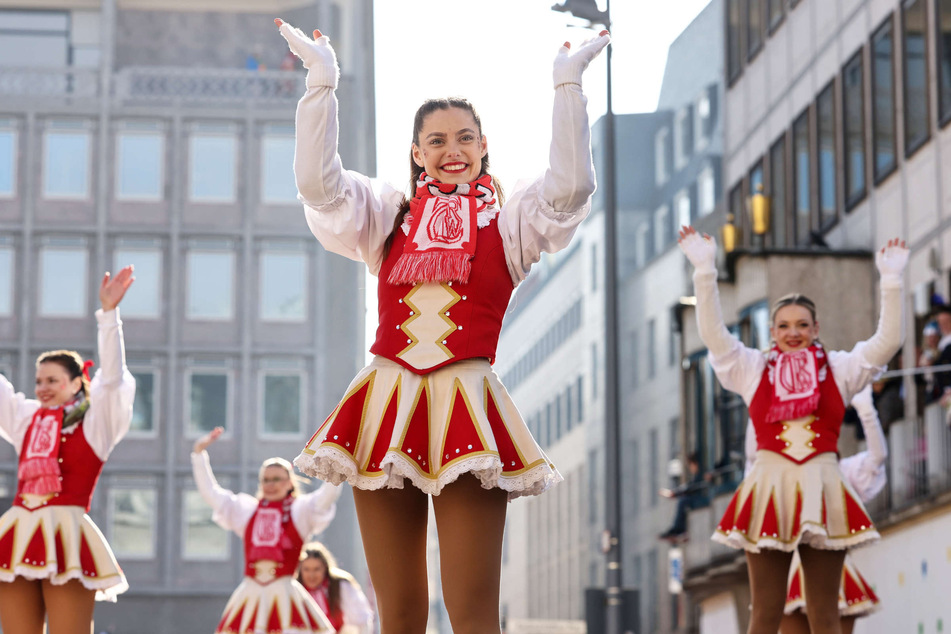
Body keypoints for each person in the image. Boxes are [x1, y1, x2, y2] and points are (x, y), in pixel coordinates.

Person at [275, 18, 609, 634]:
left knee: (472, 609)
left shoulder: (510, 224)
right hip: (385, 404)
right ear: (416, 152)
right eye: (435, 140)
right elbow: (319, 190)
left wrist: (568, 89)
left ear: (484, 145)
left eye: (464, 137)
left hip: (467, 405)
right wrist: (321, 87)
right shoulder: (386, 216)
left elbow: (571, 188)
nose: (450, 150)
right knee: (397, 612)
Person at [678, 225, 907, 634]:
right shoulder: (754, 368)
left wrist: (891, 282)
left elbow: (886, 342)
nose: (793, 332)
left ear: (816, 329)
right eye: (784, 325)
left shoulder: (839, 368)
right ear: (773, 332)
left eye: (802, 324)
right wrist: (705, 271)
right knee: (764, 615)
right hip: (769, 489)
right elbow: (715, 337)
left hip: (822, 486)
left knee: (824, 615)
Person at [0, 267, 136, 634]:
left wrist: (109, 316)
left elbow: (114, 379)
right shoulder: (27, 418)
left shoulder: (95, 423)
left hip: (66, 535)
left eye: (52, 381)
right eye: (38, 380)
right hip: (17, 529)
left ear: (77, 382)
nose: (42, 388)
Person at [191, 426, 340, 634]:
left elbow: (327, 495)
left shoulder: (300, 510)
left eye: (277, 479)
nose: (271, 484)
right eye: (266, 480)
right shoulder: (248, 510)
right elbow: (211, 494)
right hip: (250, 594)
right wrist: (199, 454)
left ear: (290, 482)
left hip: (285, 595)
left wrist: (338, 457)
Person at [779, 385, 885, 634]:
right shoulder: (780, 473)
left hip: (836, 568)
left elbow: (877, 458)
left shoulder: (843, 472)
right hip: (792, 569)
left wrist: (867, 411)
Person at [297, 542, 373, 634]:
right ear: (300, 569)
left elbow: (361, 620)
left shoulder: (340, 585)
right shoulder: (294, 588)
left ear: (325, 568)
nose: (311, 575)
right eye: (306, 569)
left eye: (316, 569)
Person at [658, 452, 709, 540]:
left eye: (690, 465)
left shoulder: (702, 474)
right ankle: (679, 529)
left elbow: (691, 487)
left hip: (704, 498)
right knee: (683, 501)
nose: (690, 468)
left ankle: (678, 530)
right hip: (701, 497)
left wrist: (673, 493)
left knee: (683, 501)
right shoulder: (699, 475)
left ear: (695, 464)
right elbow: (689, 486)